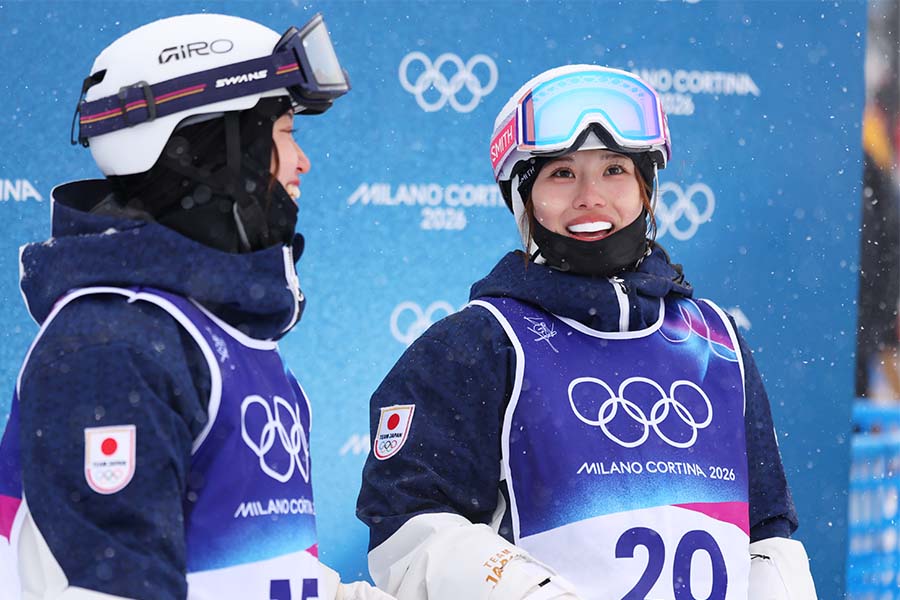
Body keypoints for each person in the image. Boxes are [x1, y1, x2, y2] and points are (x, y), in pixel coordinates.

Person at [356, 65, 818, 600]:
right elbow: (409, 531)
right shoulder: (478, 345)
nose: (590, 196)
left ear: (646, 187)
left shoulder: (716, 342)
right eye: (561, 174)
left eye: (615, 169)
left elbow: (766, 538)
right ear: (523, 198)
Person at [0, 13, 392, 600]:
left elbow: (271, 580)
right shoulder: (114, 346)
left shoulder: (221, 338)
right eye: (285, 133)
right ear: (209, 150)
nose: (301, 161)